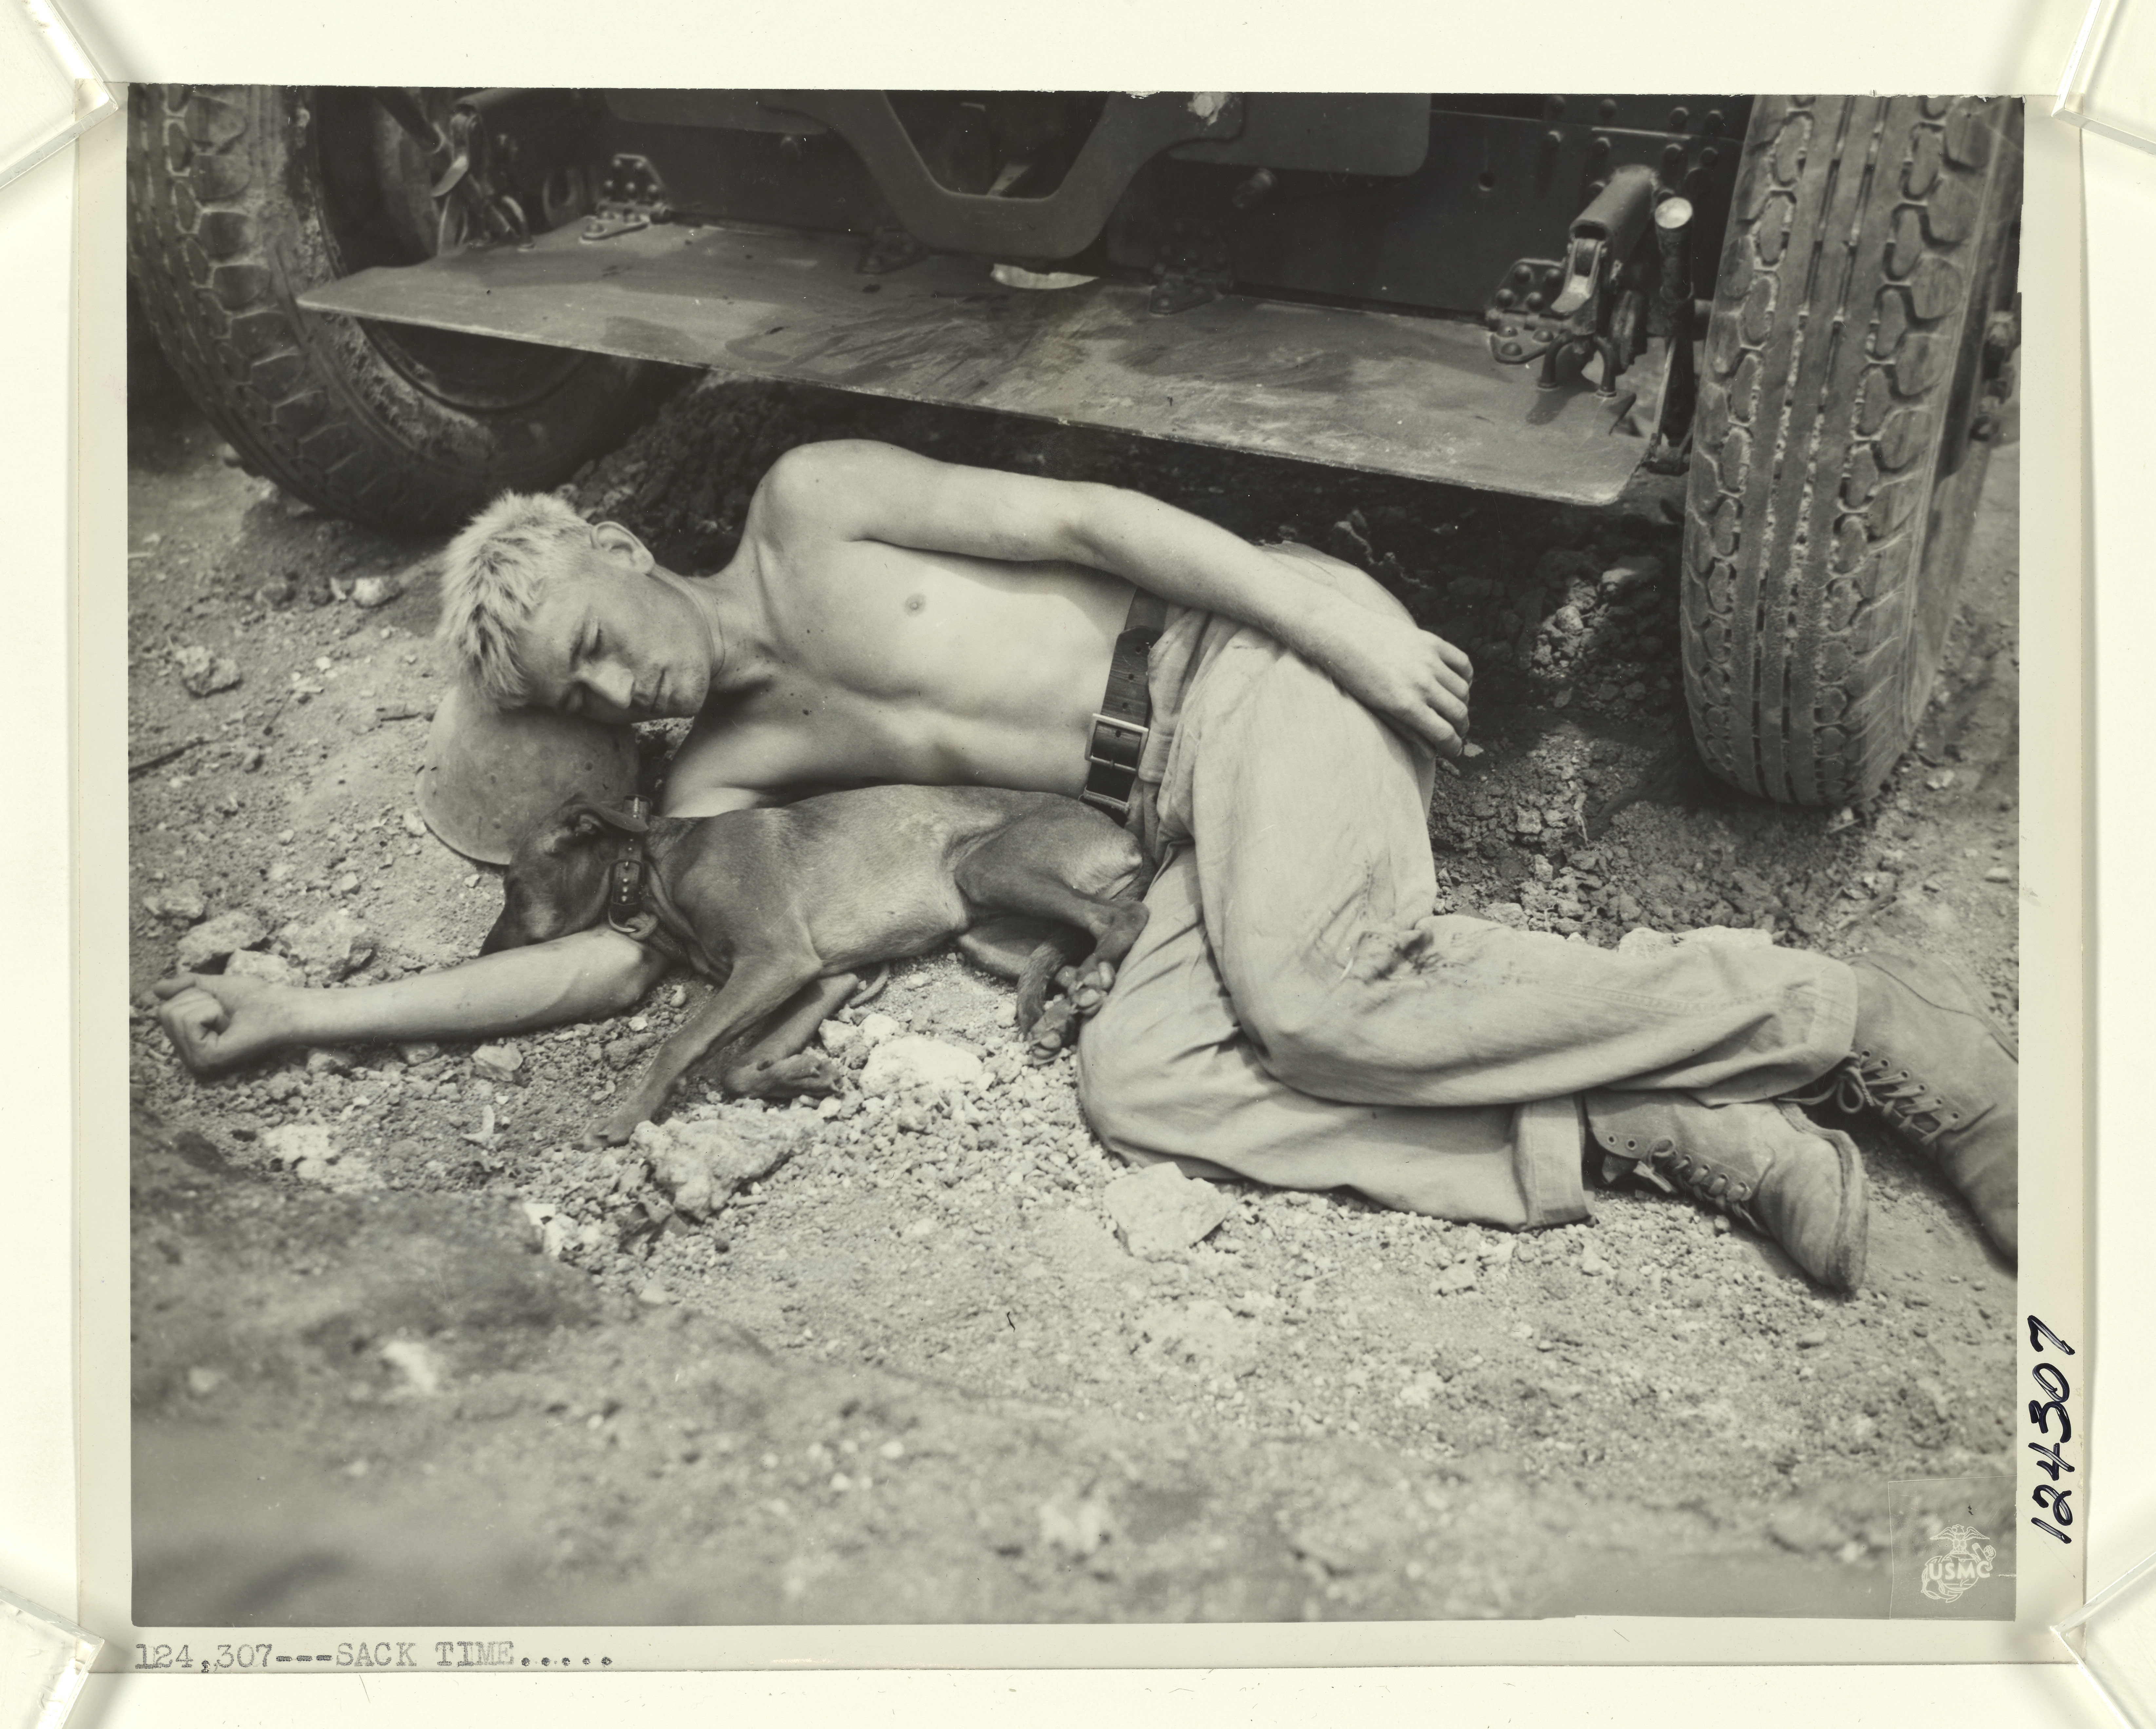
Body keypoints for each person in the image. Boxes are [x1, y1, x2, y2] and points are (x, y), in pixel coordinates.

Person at [154, 440, 2018, 1291]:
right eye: (575, 696)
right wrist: (313, 1013)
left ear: (622, 546)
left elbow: (1086, 517)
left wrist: (1318, 611)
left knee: (1311, 1002)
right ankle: (1665, 1129)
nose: (613, 687)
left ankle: (1857, 1026)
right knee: (1144, 1084)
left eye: (592, 637)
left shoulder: (810, 508)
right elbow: (623, 963)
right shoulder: (728, 775)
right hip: (1159, 826)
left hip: (1250, 670)